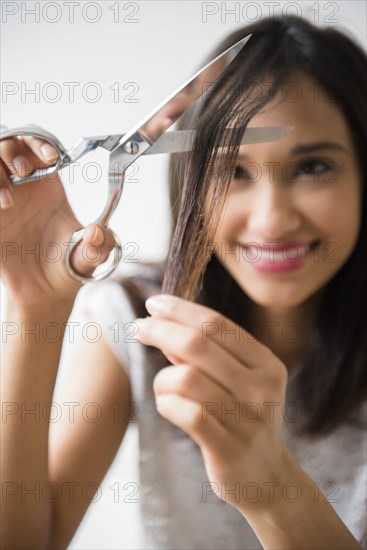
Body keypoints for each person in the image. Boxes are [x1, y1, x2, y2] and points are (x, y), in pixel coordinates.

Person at [1, 16, 366, 550]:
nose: (271, 220)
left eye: (312, 167)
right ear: (191, 181)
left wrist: (273, 489)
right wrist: (35, 308)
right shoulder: (138, 320)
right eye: (233, 171)